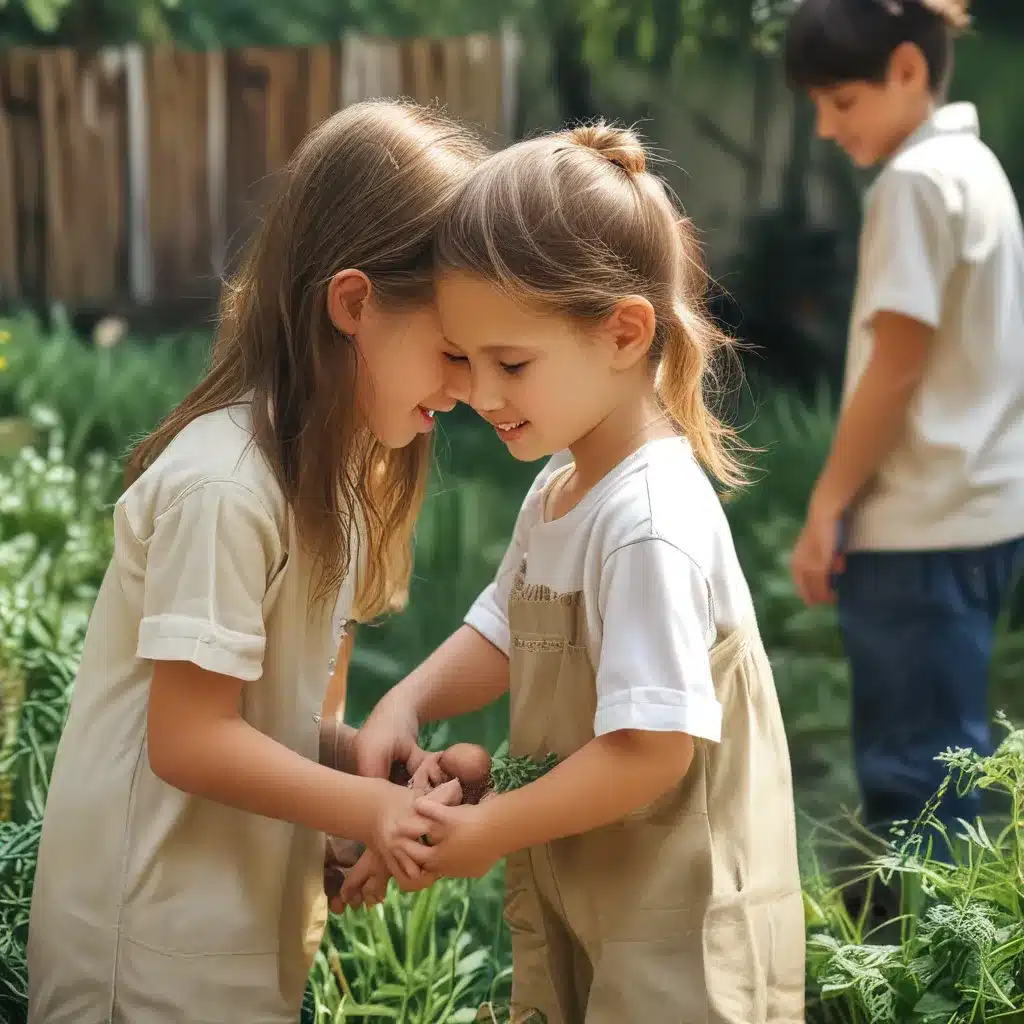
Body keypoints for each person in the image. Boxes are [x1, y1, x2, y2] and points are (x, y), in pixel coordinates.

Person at [26, 100, 483, 1024]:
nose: (470, 386)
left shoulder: (337, 483)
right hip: (139, 961)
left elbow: (264, 727)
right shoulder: (225, 488)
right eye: (452, 349)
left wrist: (367, 771)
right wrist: (369, 816)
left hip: (233, 950)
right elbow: (190, 737)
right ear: (354, 304)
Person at [349, 124, 805, 1023]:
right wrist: (407, 700)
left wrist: (485, 832)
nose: (480, 394)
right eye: (467, 359)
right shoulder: (565, 490)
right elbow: (511, 623)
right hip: (596, 889)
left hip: (681, 927)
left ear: (625, 333)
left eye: (511, 363)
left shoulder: (646, 522)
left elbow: (650, 752)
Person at [785, 0, 1024, 848]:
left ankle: (930, 971)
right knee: (948, 755)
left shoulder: (916, 183)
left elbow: (897, 366)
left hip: (918, 529)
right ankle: (947, 959)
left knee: (915, 779)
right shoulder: (977, 167)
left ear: (909, 71)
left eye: (841, 101)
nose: (824, 127)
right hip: (982, 515)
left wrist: (827, 507)